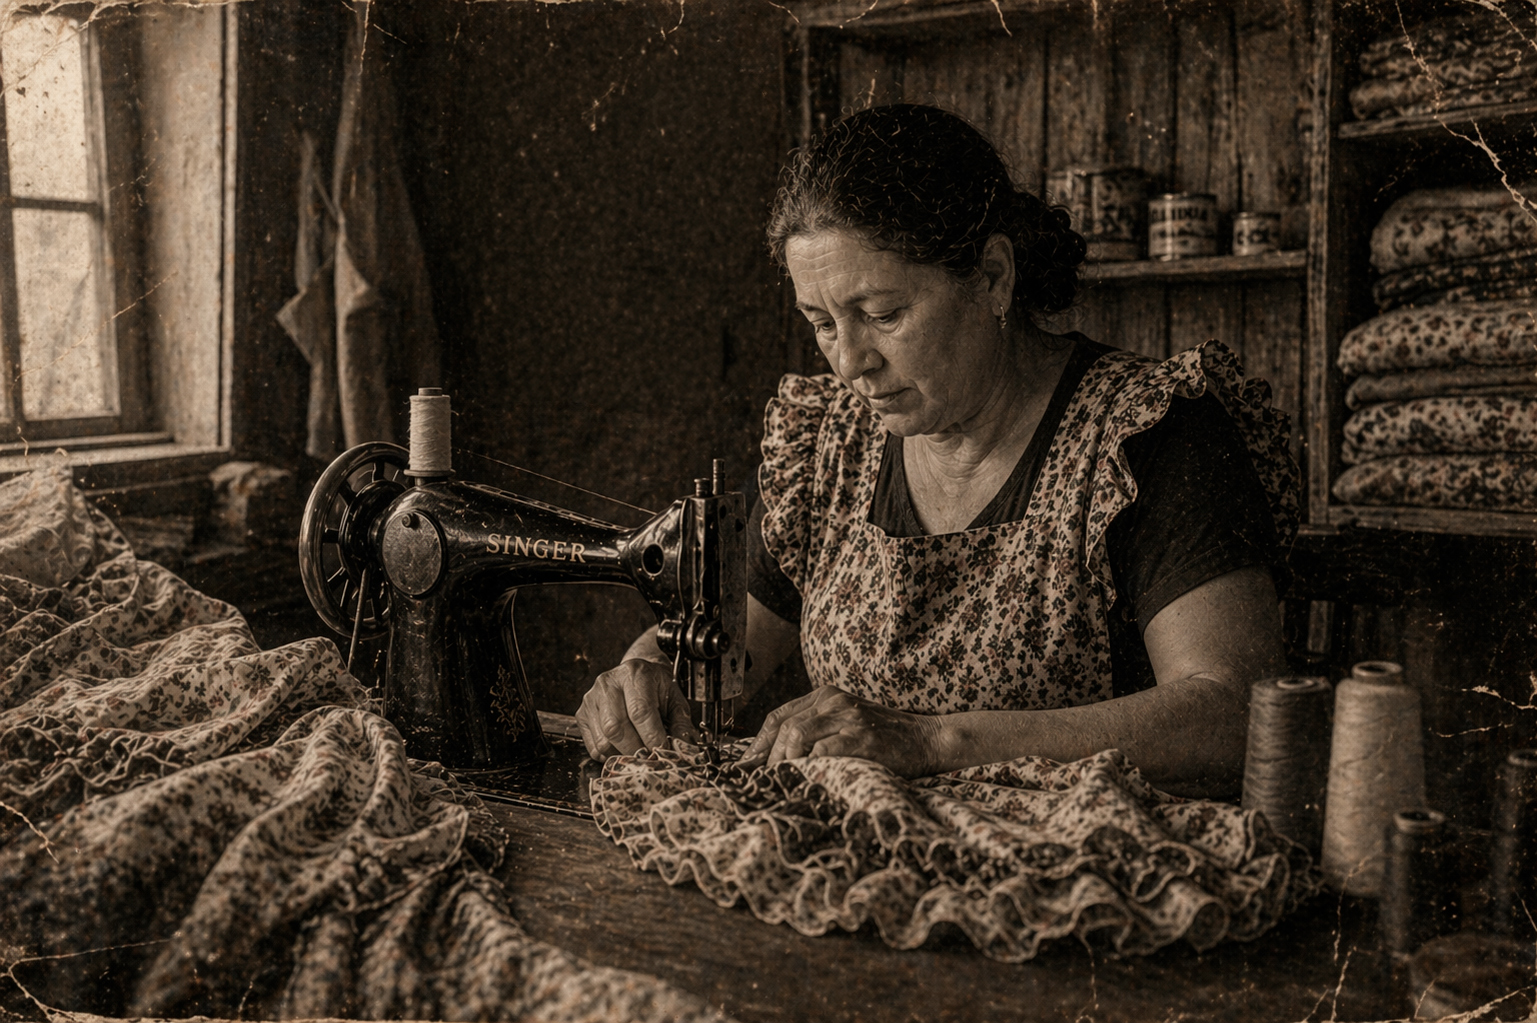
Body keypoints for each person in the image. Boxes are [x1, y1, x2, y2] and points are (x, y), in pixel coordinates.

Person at [576, 104, 1297, 798]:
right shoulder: (831, 448)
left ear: (990, 277)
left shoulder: (1144, 434)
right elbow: (722, 647)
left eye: (883, 314)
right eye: (820, 322)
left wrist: (929, 741)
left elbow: (1229, 714)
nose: (849, 361)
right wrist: (643, 674)